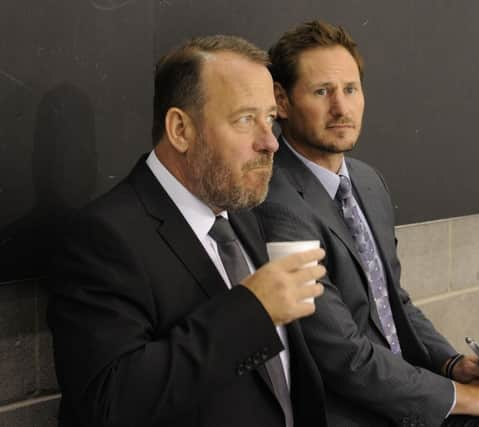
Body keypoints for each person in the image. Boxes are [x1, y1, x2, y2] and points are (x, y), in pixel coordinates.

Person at [256, 20, 479, 427]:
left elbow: (393, 302)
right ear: (281, 101)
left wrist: (454, 364)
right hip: (351, 409)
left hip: (411, 385)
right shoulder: (276, 201)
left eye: (351, 90)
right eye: (322, 92)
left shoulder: (367, 182)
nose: (342, 108)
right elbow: (342, 356)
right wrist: (463, 397)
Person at [47, 35, 329, 427]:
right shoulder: (103, 237)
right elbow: (108, 401)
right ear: (180, 129)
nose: (270, 143)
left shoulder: (242, 212)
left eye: (269, 119)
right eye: (246, 119)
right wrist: (252, 312)